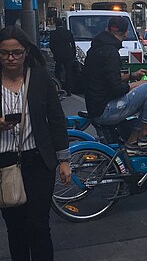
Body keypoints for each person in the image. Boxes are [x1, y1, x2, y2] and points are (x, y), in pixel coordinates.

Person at [0, 25, 71, 261]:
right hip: (4, 163)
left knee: (38, 225)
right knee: (16, 227)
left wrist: (64, 160)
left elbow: (56, 118)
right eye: (5, 52)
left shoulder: (39, 78)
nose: (11, 58)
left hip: (38, 160)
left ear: (26, 52)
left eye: (17, 52)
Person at [82, 16, 147, 155]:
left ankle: (132, 143)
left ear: (107, 29)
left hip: (96, 105)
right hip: (106, 110)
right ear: (126, 33)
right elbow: (116, 89)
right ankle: (143, 135)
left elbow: (105, 78)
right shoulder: (111, 52)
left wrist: (130, 76)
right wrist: (141, 83)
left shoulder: (97, 48)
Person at [49, 17, 76, 96]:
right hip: (68, 55)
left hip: (58, 55)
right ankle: (69, 90)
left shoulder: (53, 33)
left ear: (56, 24)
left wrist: (55, 52)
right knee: (68, 72)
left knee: (57, 71)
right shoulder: (68, 32)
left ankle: (59, 86)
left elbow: (51, 45)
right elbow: (73, 44)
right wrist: (73, 54)